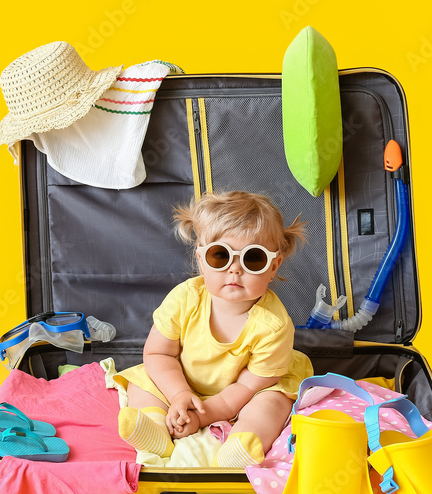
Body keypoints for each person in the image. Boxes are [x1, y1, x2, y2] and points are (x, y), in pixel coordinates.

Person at [116, 191, 313, 468]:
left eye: (252, 259)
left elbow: (245, 387)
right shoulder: (184, 299)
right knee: (143, 382)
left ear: (273, 266)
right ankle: (155, 429)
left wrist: (201, 416)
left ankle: (243, 442)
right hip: (180, 379)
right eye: (220, 256)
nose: (235, 270)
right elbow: (159, 355)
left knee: (274, 402)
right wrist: (179, 396)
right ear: (200, 259)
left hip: (245, 391)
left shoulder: (274, 326)